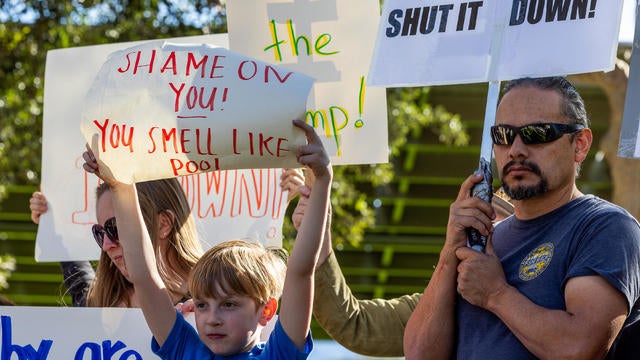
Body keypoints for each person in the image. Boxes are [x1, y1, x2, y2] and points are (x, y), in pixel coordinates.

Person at [403, 76, 640, 359]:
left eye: (537, 133)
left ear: (580, 144)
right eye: (503, 135)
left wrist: (496, 294)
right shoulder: (482, 239)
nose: (515, 149)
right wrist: (449, 252)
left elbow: (578, 348)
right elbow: (419, 354)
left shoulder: (606, 227)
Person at [82, 119, 332, 359]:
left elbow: (301, 270)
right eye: (201, 305)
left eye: (229, 305)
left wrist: (322, 180)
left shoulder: (280, 355)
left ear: (266, 311)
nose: (212, 318)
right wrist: (120, 185)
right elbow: (145, 275)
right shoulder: (185, 351)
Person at [280, 169, 513, 357]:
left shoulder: (544, 296)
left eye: (495, 228)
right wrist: (319, 223)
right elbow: (354, 325)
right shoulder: (439, 305)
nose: (481, 237)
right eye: (474, 227)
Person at [29, 178, 203, 307]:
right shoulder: (101, 304)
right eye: (100, 232)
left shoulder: (215, 299)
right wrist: (51, 220)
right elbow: (79, 283)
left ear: (163, 224)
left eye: (116, 227)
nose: (106, 245)